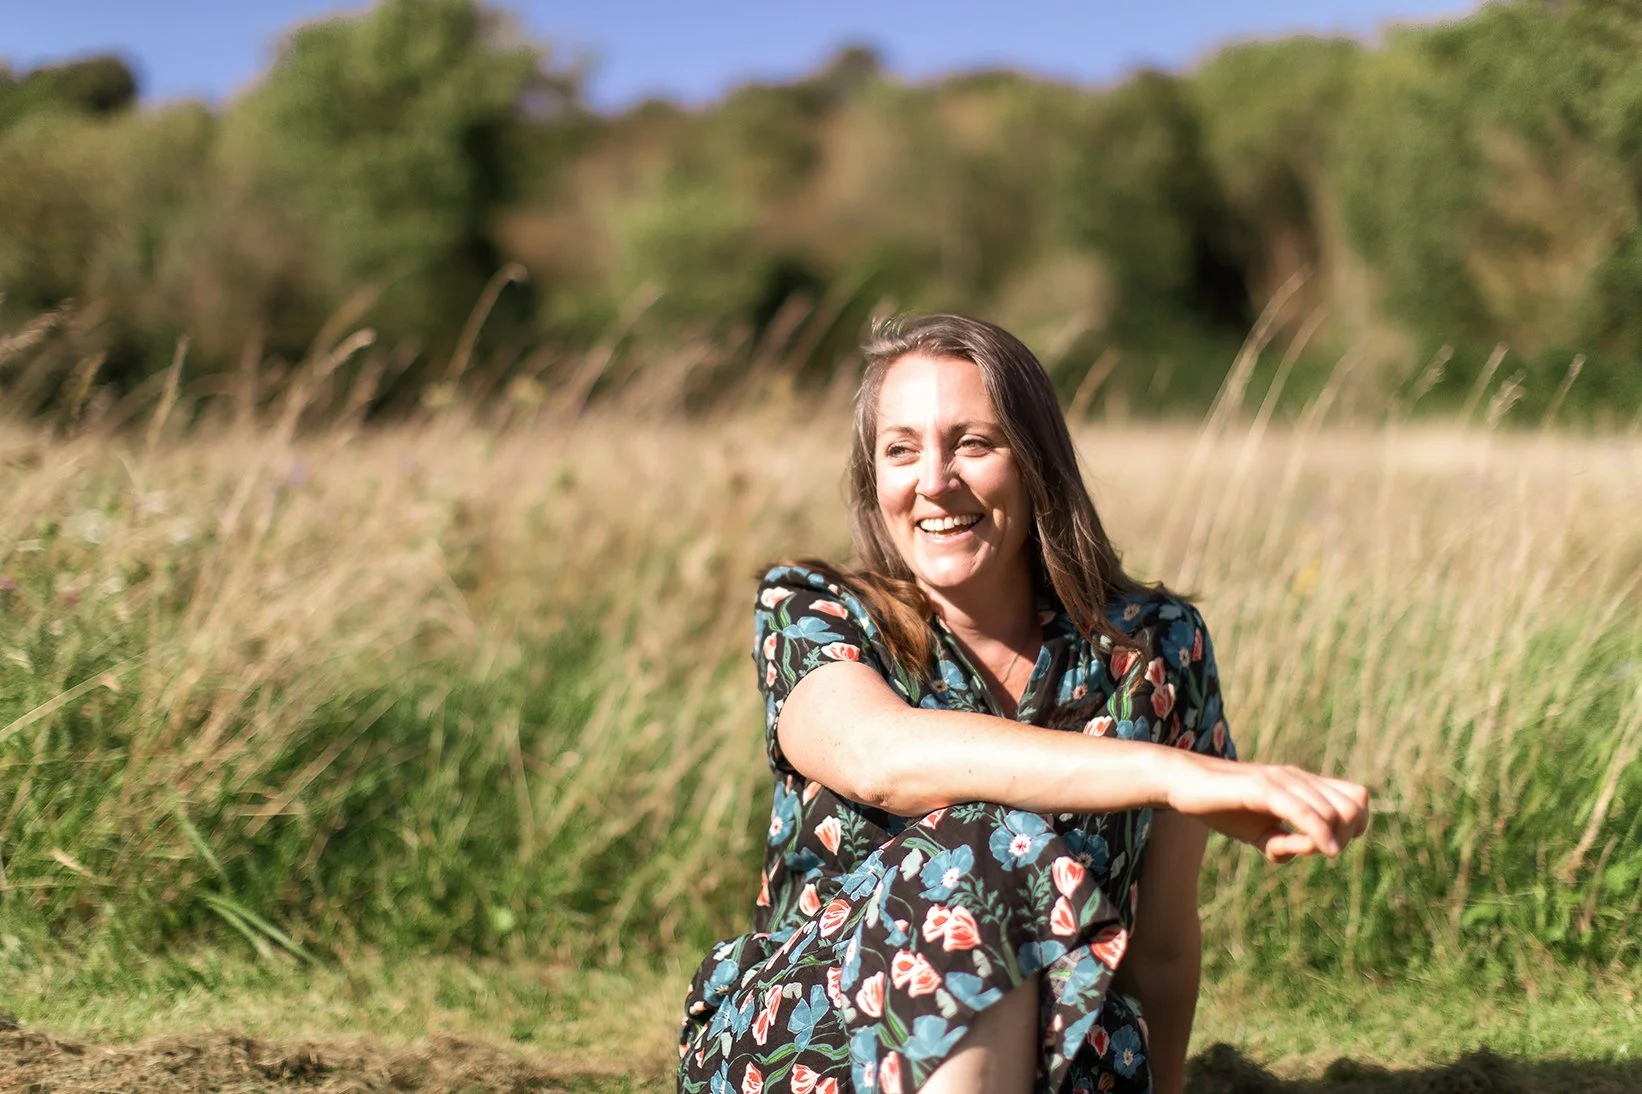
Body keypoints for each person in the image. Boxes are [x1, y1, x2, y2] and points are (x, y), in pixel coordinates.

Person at [676, 314, 1369, 1094]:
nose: (934, 481)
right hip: (823, 1044)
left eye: (974, 443)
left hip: (1065, 1052)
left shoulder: (1156, 650)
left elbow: (1162, 948)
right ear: (874, 478)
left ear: (1036, 461)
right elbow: (878, 758)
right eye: (901, 449)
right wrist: (1174, 775)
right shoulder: (816, 612)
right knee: (982, 838)